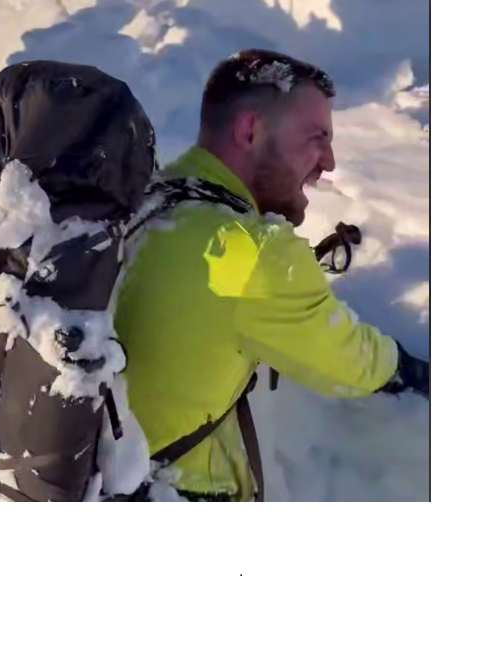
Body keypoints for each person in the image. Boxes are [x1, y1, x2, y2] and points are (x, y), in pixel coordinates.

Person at [115, 49, 428, 502]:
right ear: (249, 130)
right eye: (317, 138)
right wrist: (412, 370)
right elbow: (350, 362)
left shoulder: (147, 198)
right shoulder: (248, 249)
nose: (329, 162)